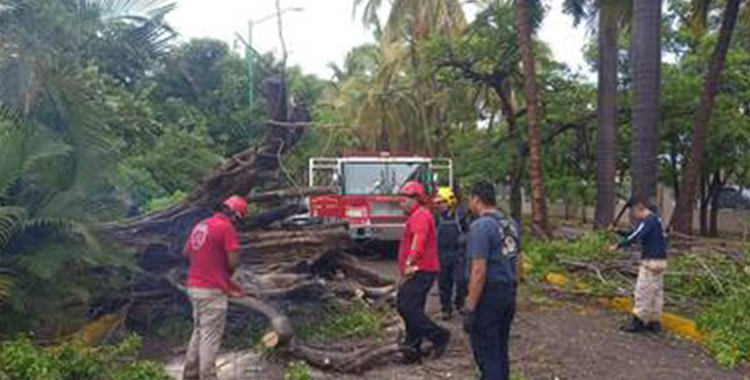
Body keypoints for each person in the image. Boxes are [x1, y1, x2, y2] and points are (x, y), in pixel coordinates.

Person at [182, 195, 247, 380]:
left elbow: (186, 252)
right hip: (212, 291)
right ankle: (207, 376)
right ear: (235, 215)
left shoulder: (201, 224)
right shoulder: (226, 228)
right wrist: (222, 270)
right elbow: (233, 262)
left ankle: (190, 374)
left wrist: (206, 261)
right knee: (210, 337)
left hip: (194, 287)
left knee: (199, 331)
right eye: (239, 219)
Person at [463, 180, 520, 380]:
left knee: (486, 352)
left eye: (470, 198)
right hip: (508, 293)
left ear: (476, 199)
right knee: (500, 349)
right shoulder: (511, 223)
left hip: (489, 296)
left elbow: (478, 271)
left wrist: (470, 306)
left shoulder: (481, 226)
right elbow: (517, 261)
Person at [396, 181, 451, 363]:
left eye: (404, 198)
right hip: (421, 269)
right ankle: (412, 348)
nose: (400, 202)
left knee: (406, 305)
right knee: (413, 308)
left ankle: (439, 335)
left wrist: (411, 262)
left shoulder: (420, 216)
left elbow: (419, 240)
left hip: (422, 270)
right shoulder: (416, 215)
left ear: (415, 199)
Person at [609, 197, 668, 333]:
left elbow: (635, 236)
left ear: (638, 207)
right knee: (656, 292)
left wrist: (617, 245)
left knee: (643, 291)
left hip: (650, 262)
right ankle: (654, 323)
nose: (633, 215)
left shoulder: (647, 220)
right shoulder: (655, 220)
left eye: (633, 211)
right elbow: (636, 234)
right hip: (660, 261)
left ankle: (638, 322)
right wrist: (617, 231)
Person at [435, 187, 469, 320]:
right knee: (444, 283)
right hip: (441, 253)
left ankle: (459, 303)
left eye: (441, 202)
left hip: (458, 253)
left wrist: (464, 239)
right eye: (437, 203)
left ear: (449, 202)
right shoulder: (436, 218)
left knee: (461, 280)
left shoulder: (460, 216)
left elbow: (468, 232)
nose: (438, 205)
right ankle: (446, 308)